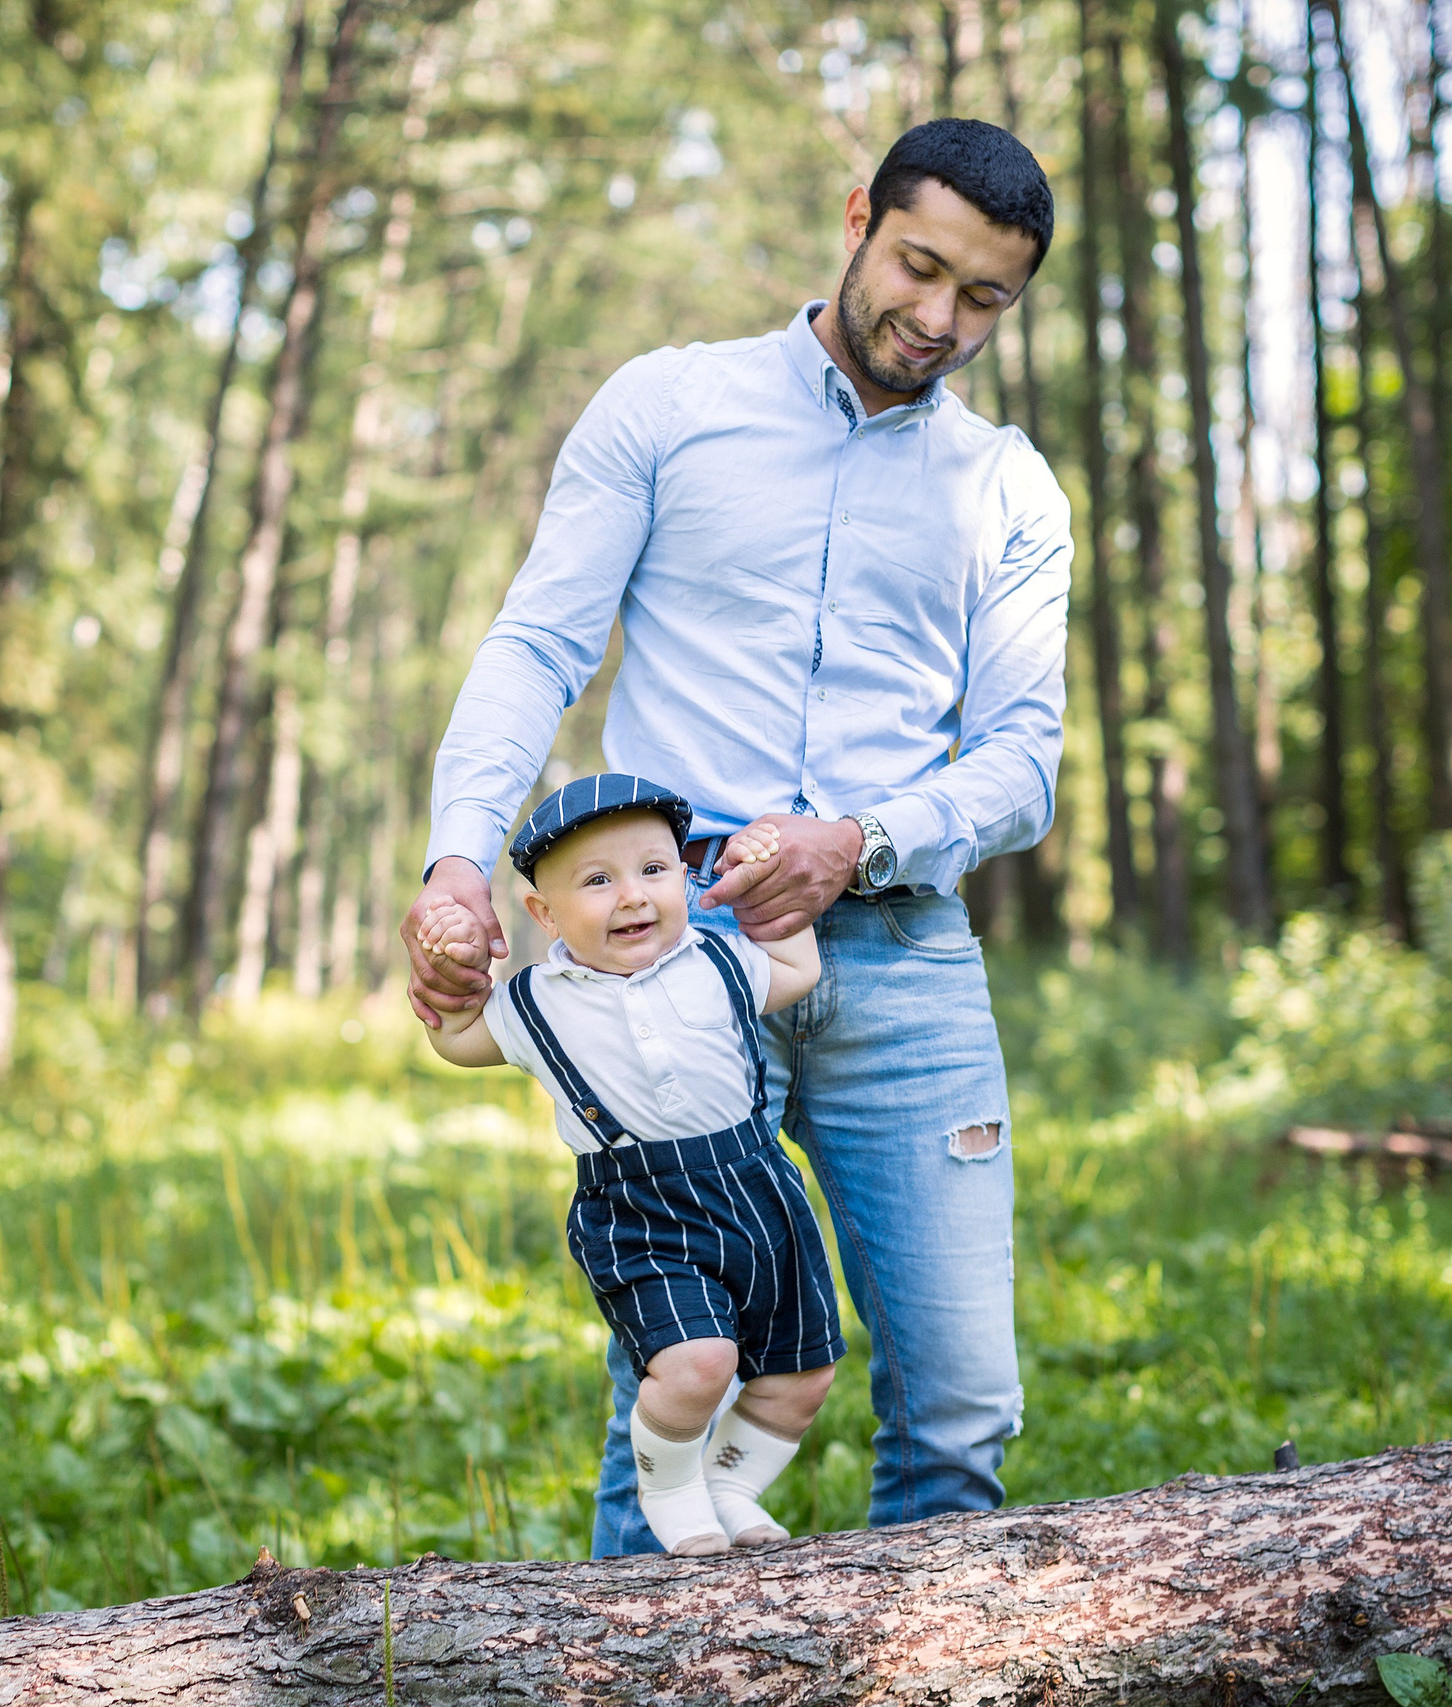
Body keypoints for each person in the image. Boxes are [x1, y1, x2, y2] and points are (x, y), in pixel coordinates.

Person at [406, 117, 1071, 1555]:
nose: (938, 319)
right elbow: (540, 642)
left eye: (985, 298)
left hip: (906, 955)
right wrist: (462, 849)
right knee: (678, 1384)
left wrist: (863, 836)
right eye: (919, 266)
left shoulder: (1009, 487)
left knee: (960, 1402)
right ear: (855, 216)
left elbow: (1024, 761)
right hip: (675, 957)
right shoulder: (669, 404)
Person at [416, 773, 840, 1556]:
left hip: (756, 1183)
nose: (633, 897)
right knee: (697, 1362)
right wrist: (449, 967)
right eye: (598, 880)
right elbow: (457, 1038)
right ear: (543, 913)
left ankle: (732, 1485)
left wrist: (779, 890)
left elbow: (796, 969)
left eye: (653, 869)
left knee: (803, 1373)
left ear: (685, 875)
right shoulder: (536, 1000)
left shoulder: (719, 959)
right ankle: (672, 1487)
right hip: (642, 1207)